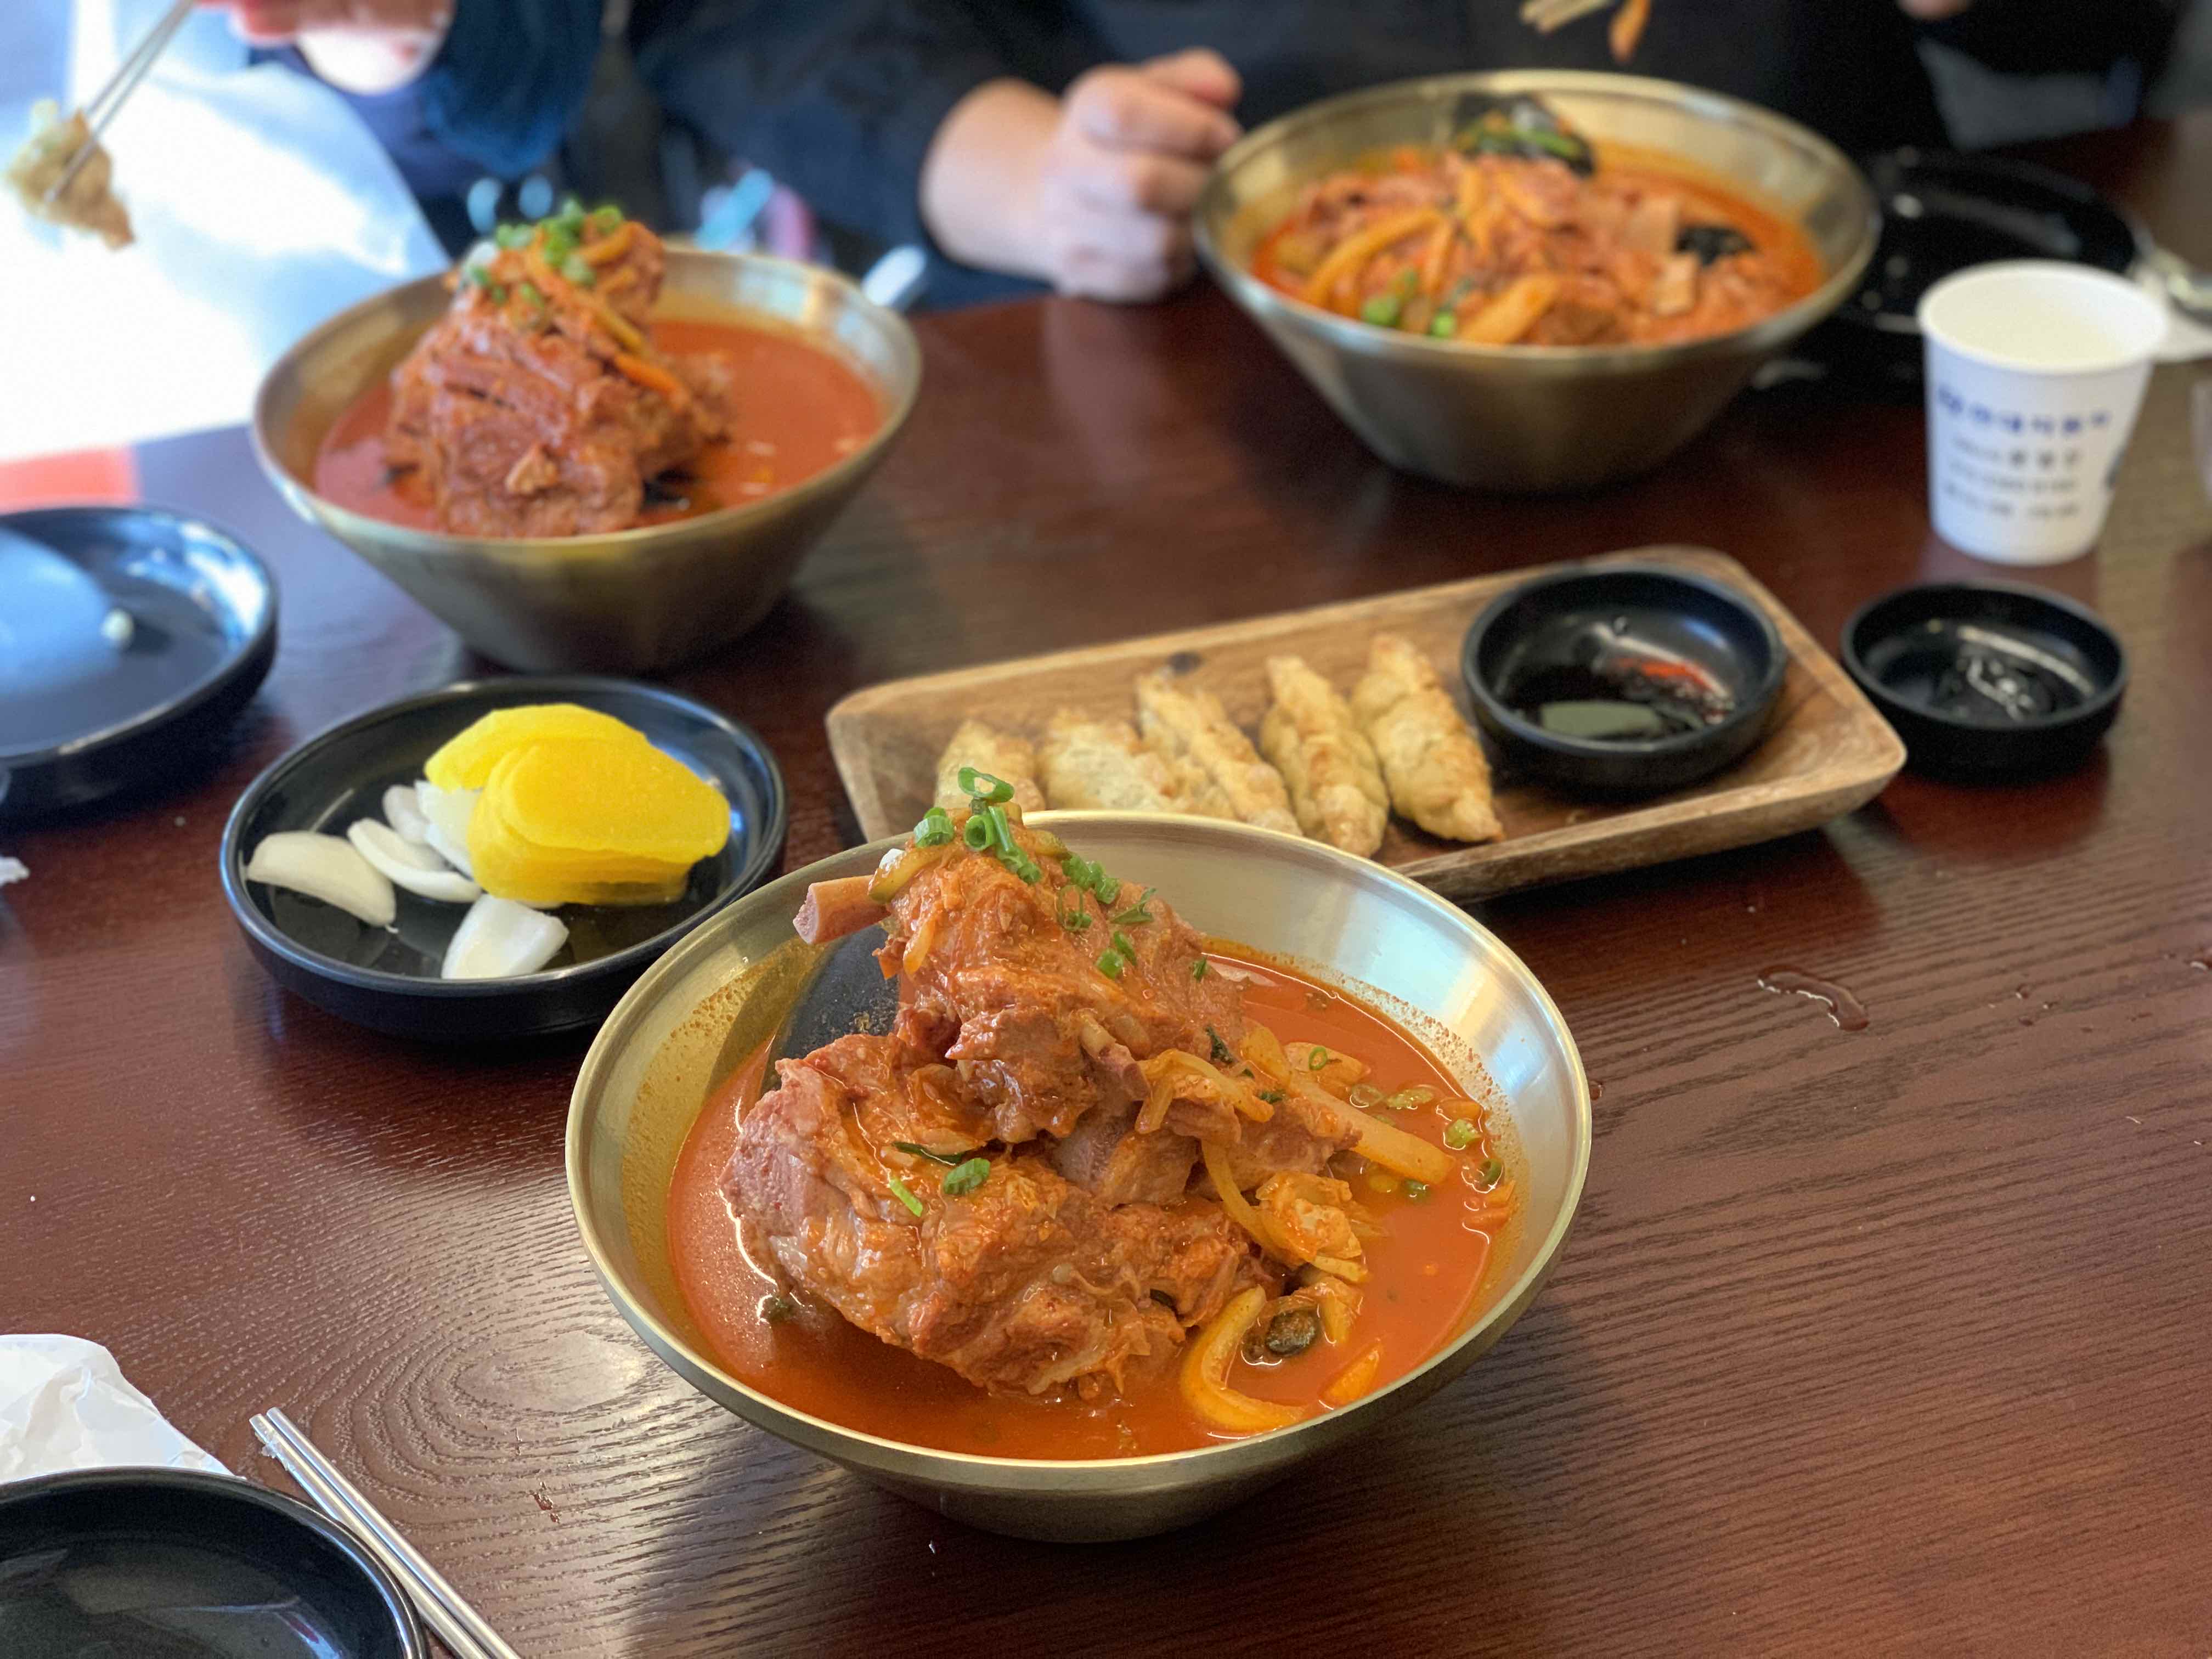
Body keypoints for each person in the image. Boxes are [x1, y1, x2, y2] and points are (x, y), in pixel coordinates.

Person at [211, 0, 2185, 303]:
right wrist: (1019, 171)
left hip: (1822, 348)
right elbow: (759, 17)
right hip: (1185, 349)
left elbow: (2090, 29)